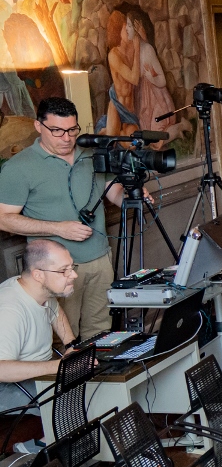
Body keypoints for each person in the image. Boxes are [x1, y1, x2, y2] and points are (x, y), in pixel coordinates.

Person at [0, 98, 131, 339]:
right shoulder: (18, 167)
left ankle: (98, 376)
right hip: (54, 270)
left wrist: (133, 195)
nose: (67, 138)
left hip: (100, 259)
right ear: (38, 126)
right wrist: (58, 229)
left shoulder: (91, 153)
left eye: (72, 130)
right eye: (57, 131)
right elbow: (4, 219)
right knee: (64, 337)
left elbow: (113, 191)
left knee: (101, 332)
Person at [0, 240, 76, 414]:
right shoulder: (9, 310)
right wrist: (58, 367)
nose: (73, 275)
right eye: (64, 270)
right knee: (75, 402)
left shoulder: (40, 291)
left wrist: (71, 345)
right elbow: (1, 369)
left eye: (72, 267)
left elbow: (56, 313)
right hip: (8, 386)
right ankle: (40, 441)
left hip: (39, 373)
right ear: (38, 275)